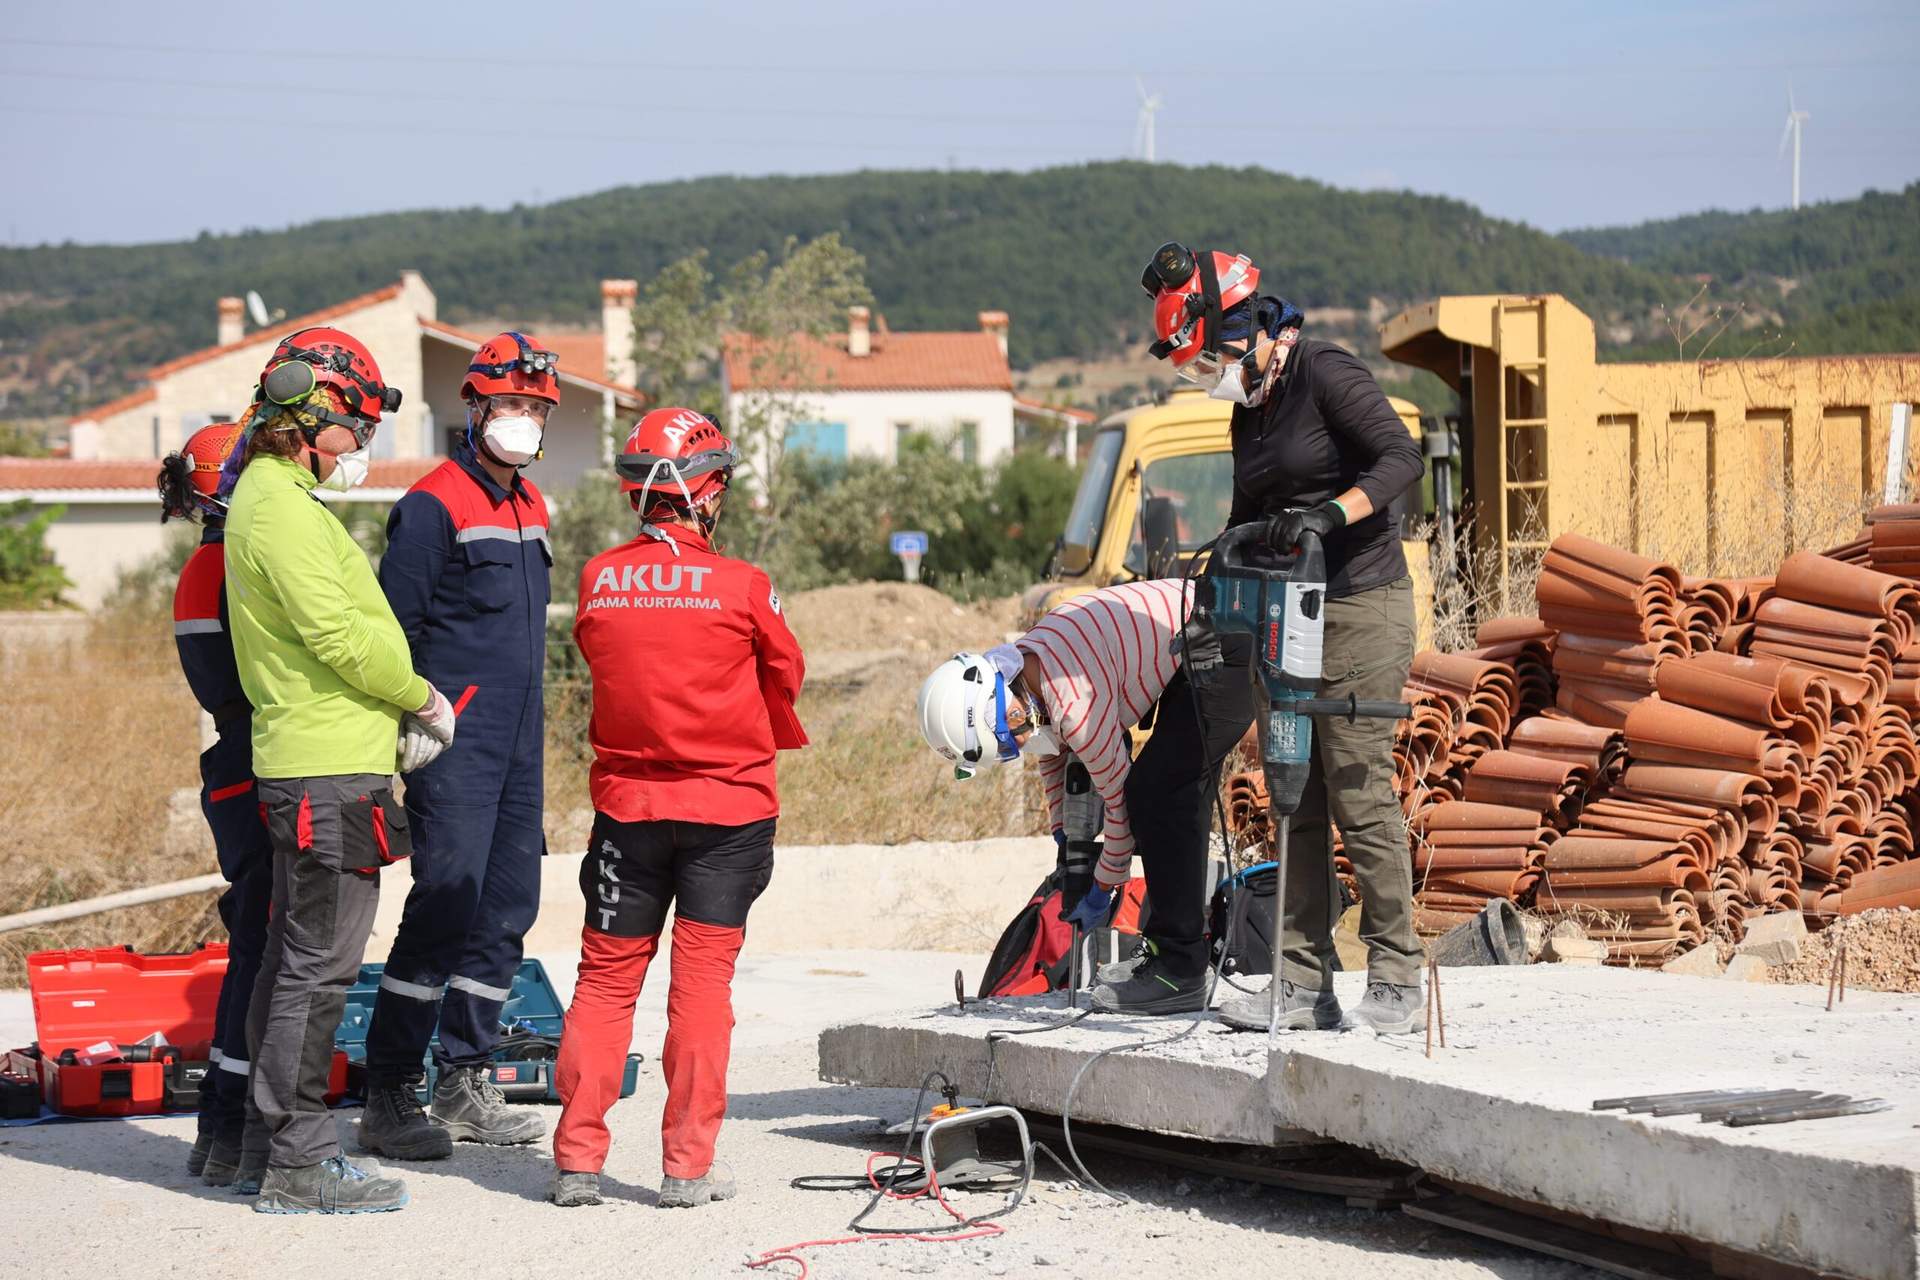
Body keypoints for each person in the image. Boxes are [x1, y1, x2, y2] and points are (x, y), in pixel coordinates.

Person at [1140, 242, 1425, 1035]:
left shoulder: (1324, 373)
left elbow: (1400, 458)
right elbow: (1239, 519)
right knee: (1293, 790)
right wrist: (1208, 595)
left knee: (1359, 785)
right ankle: (1302, 984)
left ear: (1243, 326)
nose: (1209, 376)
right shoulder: (1250, 408)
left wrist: (1334, 513)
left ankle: (1398, 975)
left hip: (1362, 605)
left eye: (1211, 360)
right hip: (1286, 615)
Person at [223, 327, 457, 1213]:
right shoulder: (279, 507)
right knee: (318, 972)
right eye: (354, 425)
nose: (361, 444)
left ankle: (263, 1148)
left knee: (295, 964)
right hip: (326, 773)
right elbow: (334, 635)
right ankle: (298, 1162)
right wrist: (418, 695)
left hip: (327, 760)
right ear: (309, 416)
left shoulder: (279, 497)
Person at [548, 407, 805, 1210]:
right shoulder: (745, 585)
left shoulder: (597, 578)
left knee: (605, 980)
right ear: (711, 488)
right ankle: (687, 1168)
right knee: (701, 988)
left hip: (628, 809)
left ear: (636, 492)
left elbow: (602, 658)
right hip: (727, 814)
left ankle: (577, 1161)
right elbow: (785, 677)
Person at [358, 332, 559, 1160]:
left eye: (535, 408)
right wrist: (404, 725)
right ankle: (391, 1090)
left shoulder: (533, 504)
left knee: (508, 908)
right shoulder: (432, 504)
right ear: (474, 407)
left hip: (519, 744)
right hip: (453, 743)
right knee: (445, 906)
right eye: (508, 403)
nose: (522, 419)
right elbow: (391, 627)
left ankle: (464, 1077)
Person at [915, 576, 1231, 1015]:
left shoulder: (1074, 705)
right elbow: (1050, 750)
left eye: (1009, 737)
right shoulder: (1029, 666)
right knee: (1162, 794)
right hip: (1190, 632)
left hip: (1220, 636)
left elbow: (1121, 806)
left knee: (1158, 798)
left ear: (998, 693)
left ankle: (1178, 969)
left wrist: (1104, 884)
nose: (1018, 746)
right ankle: (1169, 957)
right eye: (1006, 749)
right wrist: (1064, 831)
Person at [157, 422, 275, 1186]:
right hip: (259, 760)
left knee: (255, 953)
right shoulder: (229, 566)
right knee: (267, 956)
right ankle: (234, 1128)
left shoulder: (205, 566)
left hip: (236, 763)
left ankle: (221, 1134)